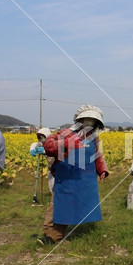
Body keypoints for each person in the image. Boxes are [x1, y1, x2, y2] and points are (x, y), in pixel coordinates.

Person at [38, 105, 109, 245]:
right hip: (65, 177)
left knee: (78, 203)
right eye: (87, 120)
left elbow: (96, 155)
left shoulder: (93, 138)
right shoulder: (66, 133)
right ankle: (51, 236)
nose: (89, 123)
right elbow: (49, 146)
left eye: (92, 121)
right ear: (80, 120)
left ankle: (68, 229)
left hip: (84, 178)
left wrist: (102, 169)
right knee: (58, 204)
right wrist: (66, 143)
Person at [29, 127, 55, 193]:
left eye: (42, 137)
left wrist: (44, 151)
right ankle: (53, 198)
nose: (41, 139)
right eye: (40, 137)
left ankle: (56, 200)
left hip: (58, 168)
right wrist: (32, 149)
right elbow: (35, 144)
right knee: (51, 186)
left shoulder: (54, 143)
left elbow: (53, 150)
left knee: (57, 186)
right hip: (50, 168)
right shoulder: (43, 143)